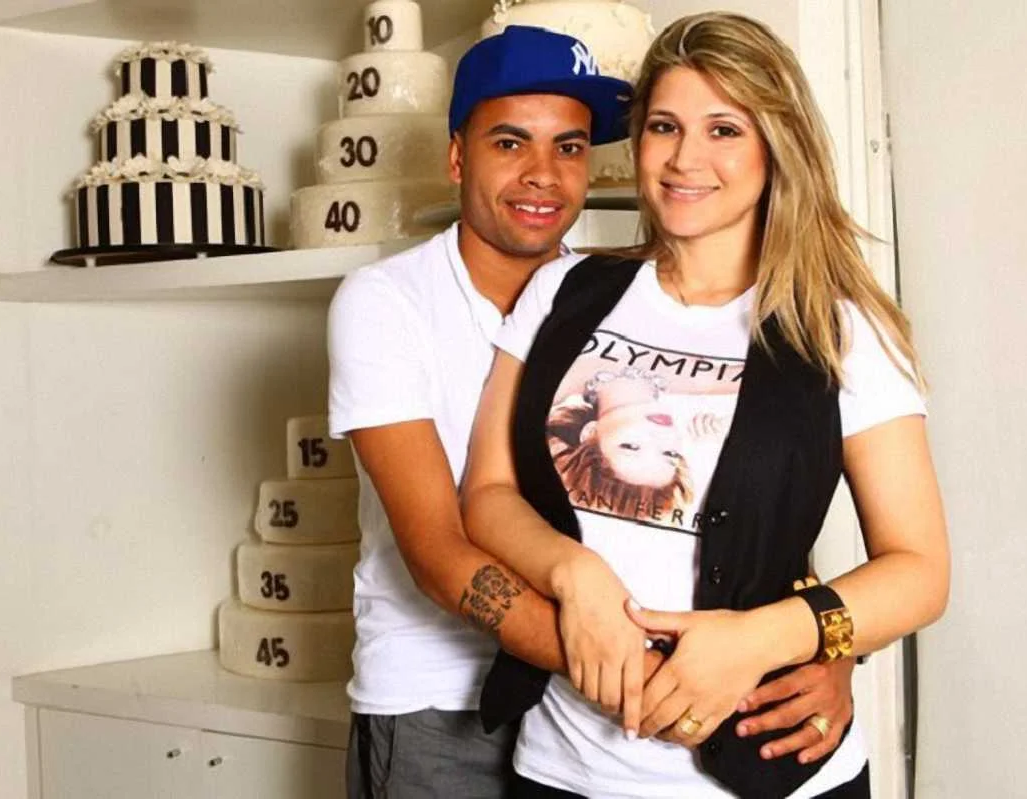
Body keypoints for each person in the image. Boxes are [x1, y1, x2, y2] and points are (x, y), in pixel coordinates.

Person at [330, 23, 859, 799]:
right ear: (457, 157)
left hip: (584, 713)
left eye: (570, 147)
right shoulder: (386, 301)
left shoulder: (608, 301)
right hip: (441, 703)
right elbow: (440, 551)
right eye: (510, 143)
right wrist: (652, 680)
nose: (542, 175)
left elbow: (738, 506)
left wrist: (820, 647)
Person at [461, 12, 950, 799]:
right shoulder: (564, 289)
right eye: (665, 126)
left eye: (724, 129)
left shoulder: (840, 328)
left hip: (769, 774)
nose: (686, 158)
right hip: (564, 769)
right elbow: (487, 494)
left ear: (775, 146)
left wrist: (762, 639)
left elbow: (920, 570)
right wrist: (573, 573)